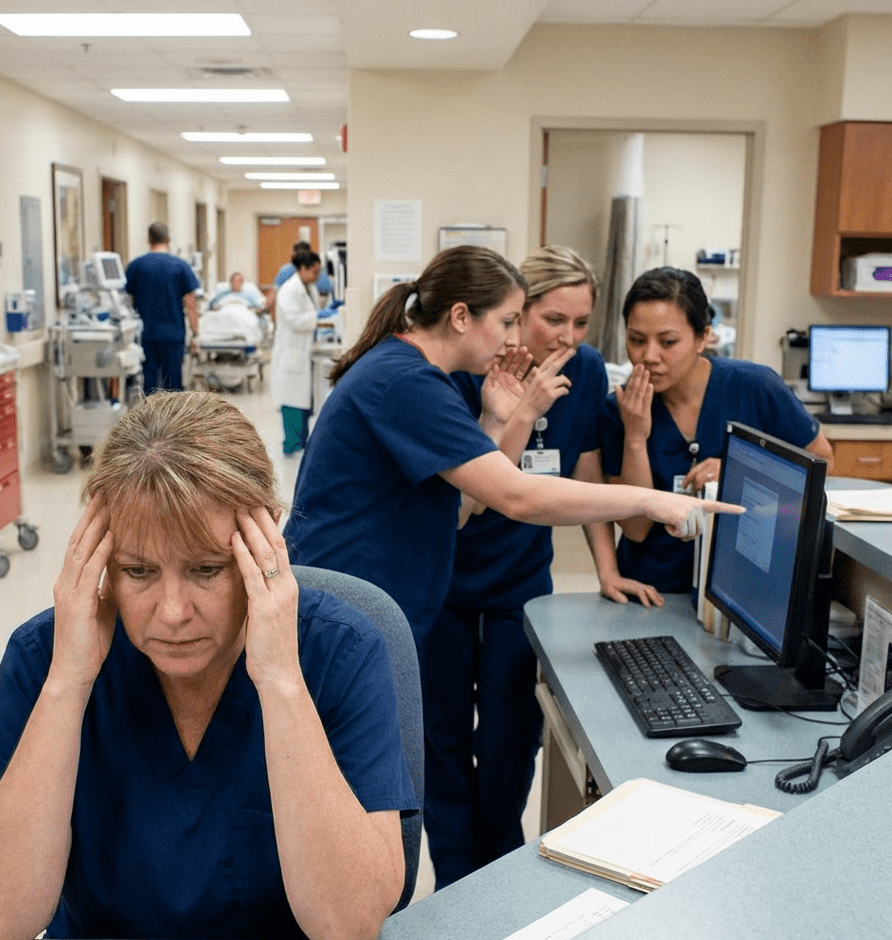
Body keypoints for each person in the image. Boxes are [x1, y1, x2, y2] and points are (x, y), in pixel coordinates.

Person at [0, 391, 416, 940]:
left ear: (265, 542)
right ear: (97, 557)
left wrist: (280, 681)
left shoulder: (338, 653)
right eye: (137, 571)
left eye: (205, 570)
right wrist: (69, 680)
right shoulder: (44, 657)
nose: (171, 612)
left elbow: (347, 929)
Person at [282, 245, 740, 660]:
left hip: (367, 603)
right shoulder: (408, 382)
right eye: (507, 322)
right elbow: (516, 496)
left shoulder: (406, 371)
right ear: (461, 317)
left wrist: (496, 421)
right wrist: (651, 499)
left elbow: (462, 508)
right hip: (343, 606)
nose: (511, 338)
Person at [419, 245, 661, 889]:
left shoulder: (581, 370)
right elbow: (474, 489)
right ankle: (453, 882)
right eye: (554, 319)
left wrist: (606, 567)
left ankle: (494, 879)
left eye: (582, 322)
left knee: (507, 741)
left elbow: (583, 479)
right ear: (519, 309)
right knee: (440, 743)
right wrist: (516, 410)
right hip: (441, 581)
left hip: (518, 586)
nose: (569, 336)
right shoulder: (464, 368)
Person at [600, 266, 833, 594]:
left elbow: (822, 460)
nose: (648, 356)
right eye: (636, 340)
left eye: (668, 342)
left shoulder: (755, 387)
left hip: (742, 588)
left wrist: (739, 473)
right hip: (652, 590)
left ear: (703, 337)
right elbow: (636, 529)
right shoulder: (618, 409)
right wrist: (636, 438)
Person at [125, 222, 200, 393]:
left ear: (149, 239)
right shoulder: (180, 266)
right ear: (168, 239)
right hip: (172, 334)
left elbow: (126, 300)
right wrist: (195, 331)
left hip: (146, 334)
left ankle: (150, 418)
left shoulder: (137, 266)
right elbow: (191, 304)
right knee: (173, 384)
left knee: (148, 382)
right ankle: (173, 419)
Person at [271, 249, 326, 455]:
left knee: (303, 402)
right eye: (314, 271)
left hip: (303, 352)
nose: (317, 276)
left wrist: (319, 318)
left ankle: (301, 443)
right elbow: (295, 320)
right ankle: (291, 445)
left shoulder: (308, 287)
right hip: (291, 353)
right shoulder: (289, 290)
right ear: (302, 269)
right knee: (292, 402)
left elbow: (309, 314)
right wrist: (319, 317)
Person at [270, 241, 332, 311]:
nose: (316, 277)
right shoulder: (289, 282)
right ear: (303, 268)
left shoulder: (311, 282)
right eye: (315, 273)